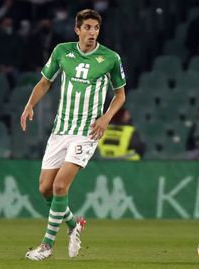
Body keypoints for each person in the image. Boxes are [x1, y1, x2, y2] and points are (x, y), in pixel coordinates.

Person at [20, 9, 126, 260]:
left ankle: (46, 245)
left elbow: (120, 94)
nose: (92, 32)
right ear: (77, 30)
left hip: (86, 132)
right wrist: (29, 105)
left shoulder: (110, 58)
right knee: (45, 188)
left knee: (59, 185)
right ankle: (73, 224)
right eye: (87, 27)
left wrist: (105, 117)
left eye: (96, 28)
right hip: (60, 131)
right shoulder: (61, 51)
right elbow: (45, 82)